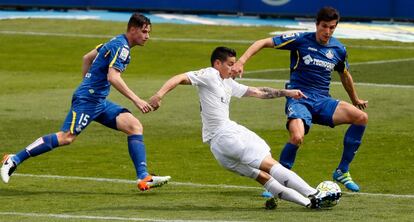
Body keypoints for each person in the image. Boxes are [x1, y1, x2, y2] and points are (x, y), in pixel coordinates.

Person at [149, 46, 340, 209]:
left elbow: (259, 92)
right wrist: (159, 95)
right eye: (230, 64)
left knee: (263, 177)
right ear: (217, 64)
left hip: (219, 148)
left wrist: (286, 92)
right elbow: (179, 77)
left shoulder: (228, 83)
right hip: (227, 137)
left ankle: (308, 203)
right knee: (271, 165)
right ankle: (314, 193)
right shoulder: (209, 75)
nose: (234, 68)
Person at [1, 13, 170, 191]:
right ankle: (13, 159)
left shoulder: (115, 41)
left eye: (148, 32)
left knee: (134, 126)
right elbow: (113, 77)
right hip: (88, 101)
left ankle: (143, 177)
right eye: (144, 32)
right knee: (66, 137)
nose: (147, 36)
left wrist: (87, 83)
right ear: (133, 29)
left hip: (98, 100)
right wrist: (136, 100)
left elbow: (87, 58)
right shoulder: (123, 49)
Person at [232, 6, 368, 192]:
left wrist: (355, 99)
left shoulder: (338, 49)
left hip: (322, 100)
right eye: (324, 26)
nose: (327, 32)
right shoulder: (300, 39)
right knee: (297, 137)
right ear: (316, 24)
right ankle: (277, 181)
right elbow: (263, 42)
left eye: (332, 28)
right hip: (299, 98)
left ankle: (342, 171)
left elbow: (344, 74)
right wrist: (241, 61)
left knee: (361, 117)